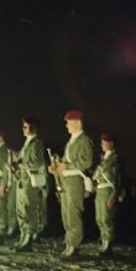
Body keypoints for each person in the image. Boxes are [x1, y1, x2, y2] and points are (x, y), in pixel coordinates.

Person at [49, 110, 94, 258]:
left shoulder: (84, 140)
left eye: (68, 122)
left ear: (77, 123)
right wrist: (56, 167)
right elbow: (65, 161)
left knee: (73, 213)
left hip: (75, 180)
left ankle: (74, 246)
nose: (66, 125)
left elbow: (87, 161)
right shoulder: (72, 140)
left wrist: (66, 166)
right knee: (66, 214)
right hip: (66, 180)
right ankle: (69, 243)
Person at [13, 117, 46, 252]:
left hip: (29, 182)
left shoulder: (36, 144)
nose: (23, 129)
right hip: (22, 181)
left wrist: (20, 164)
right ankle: (23, 236)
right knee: (21, 210)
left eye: (25, 127)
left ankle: (29, 239)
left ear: (33, 128)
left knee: (28, 209)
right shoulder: (27, 144)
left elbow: (37, 162)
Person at [92, 133, 121, 255]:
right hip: (100, 190)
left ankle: (108, 244)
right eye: (102, 143)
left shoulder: (116, 159)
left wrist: (113, 196)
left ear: (111, 144)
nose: (102, 145)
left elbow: (118, 180)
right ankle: (103, 241)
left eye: (104, 143)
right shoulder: (104, 159)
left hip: (108, 190)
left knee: (107, 219)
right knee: (100, 218)